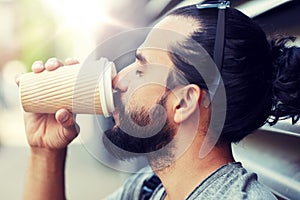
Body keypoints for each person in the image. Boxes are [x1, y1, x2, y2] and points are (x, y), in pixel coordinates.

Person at [17, 1, 300, 200]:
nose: (119, 79)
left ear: (184, 102)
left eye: (140, 69)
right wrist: (45, 151)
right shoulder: (148, 188)